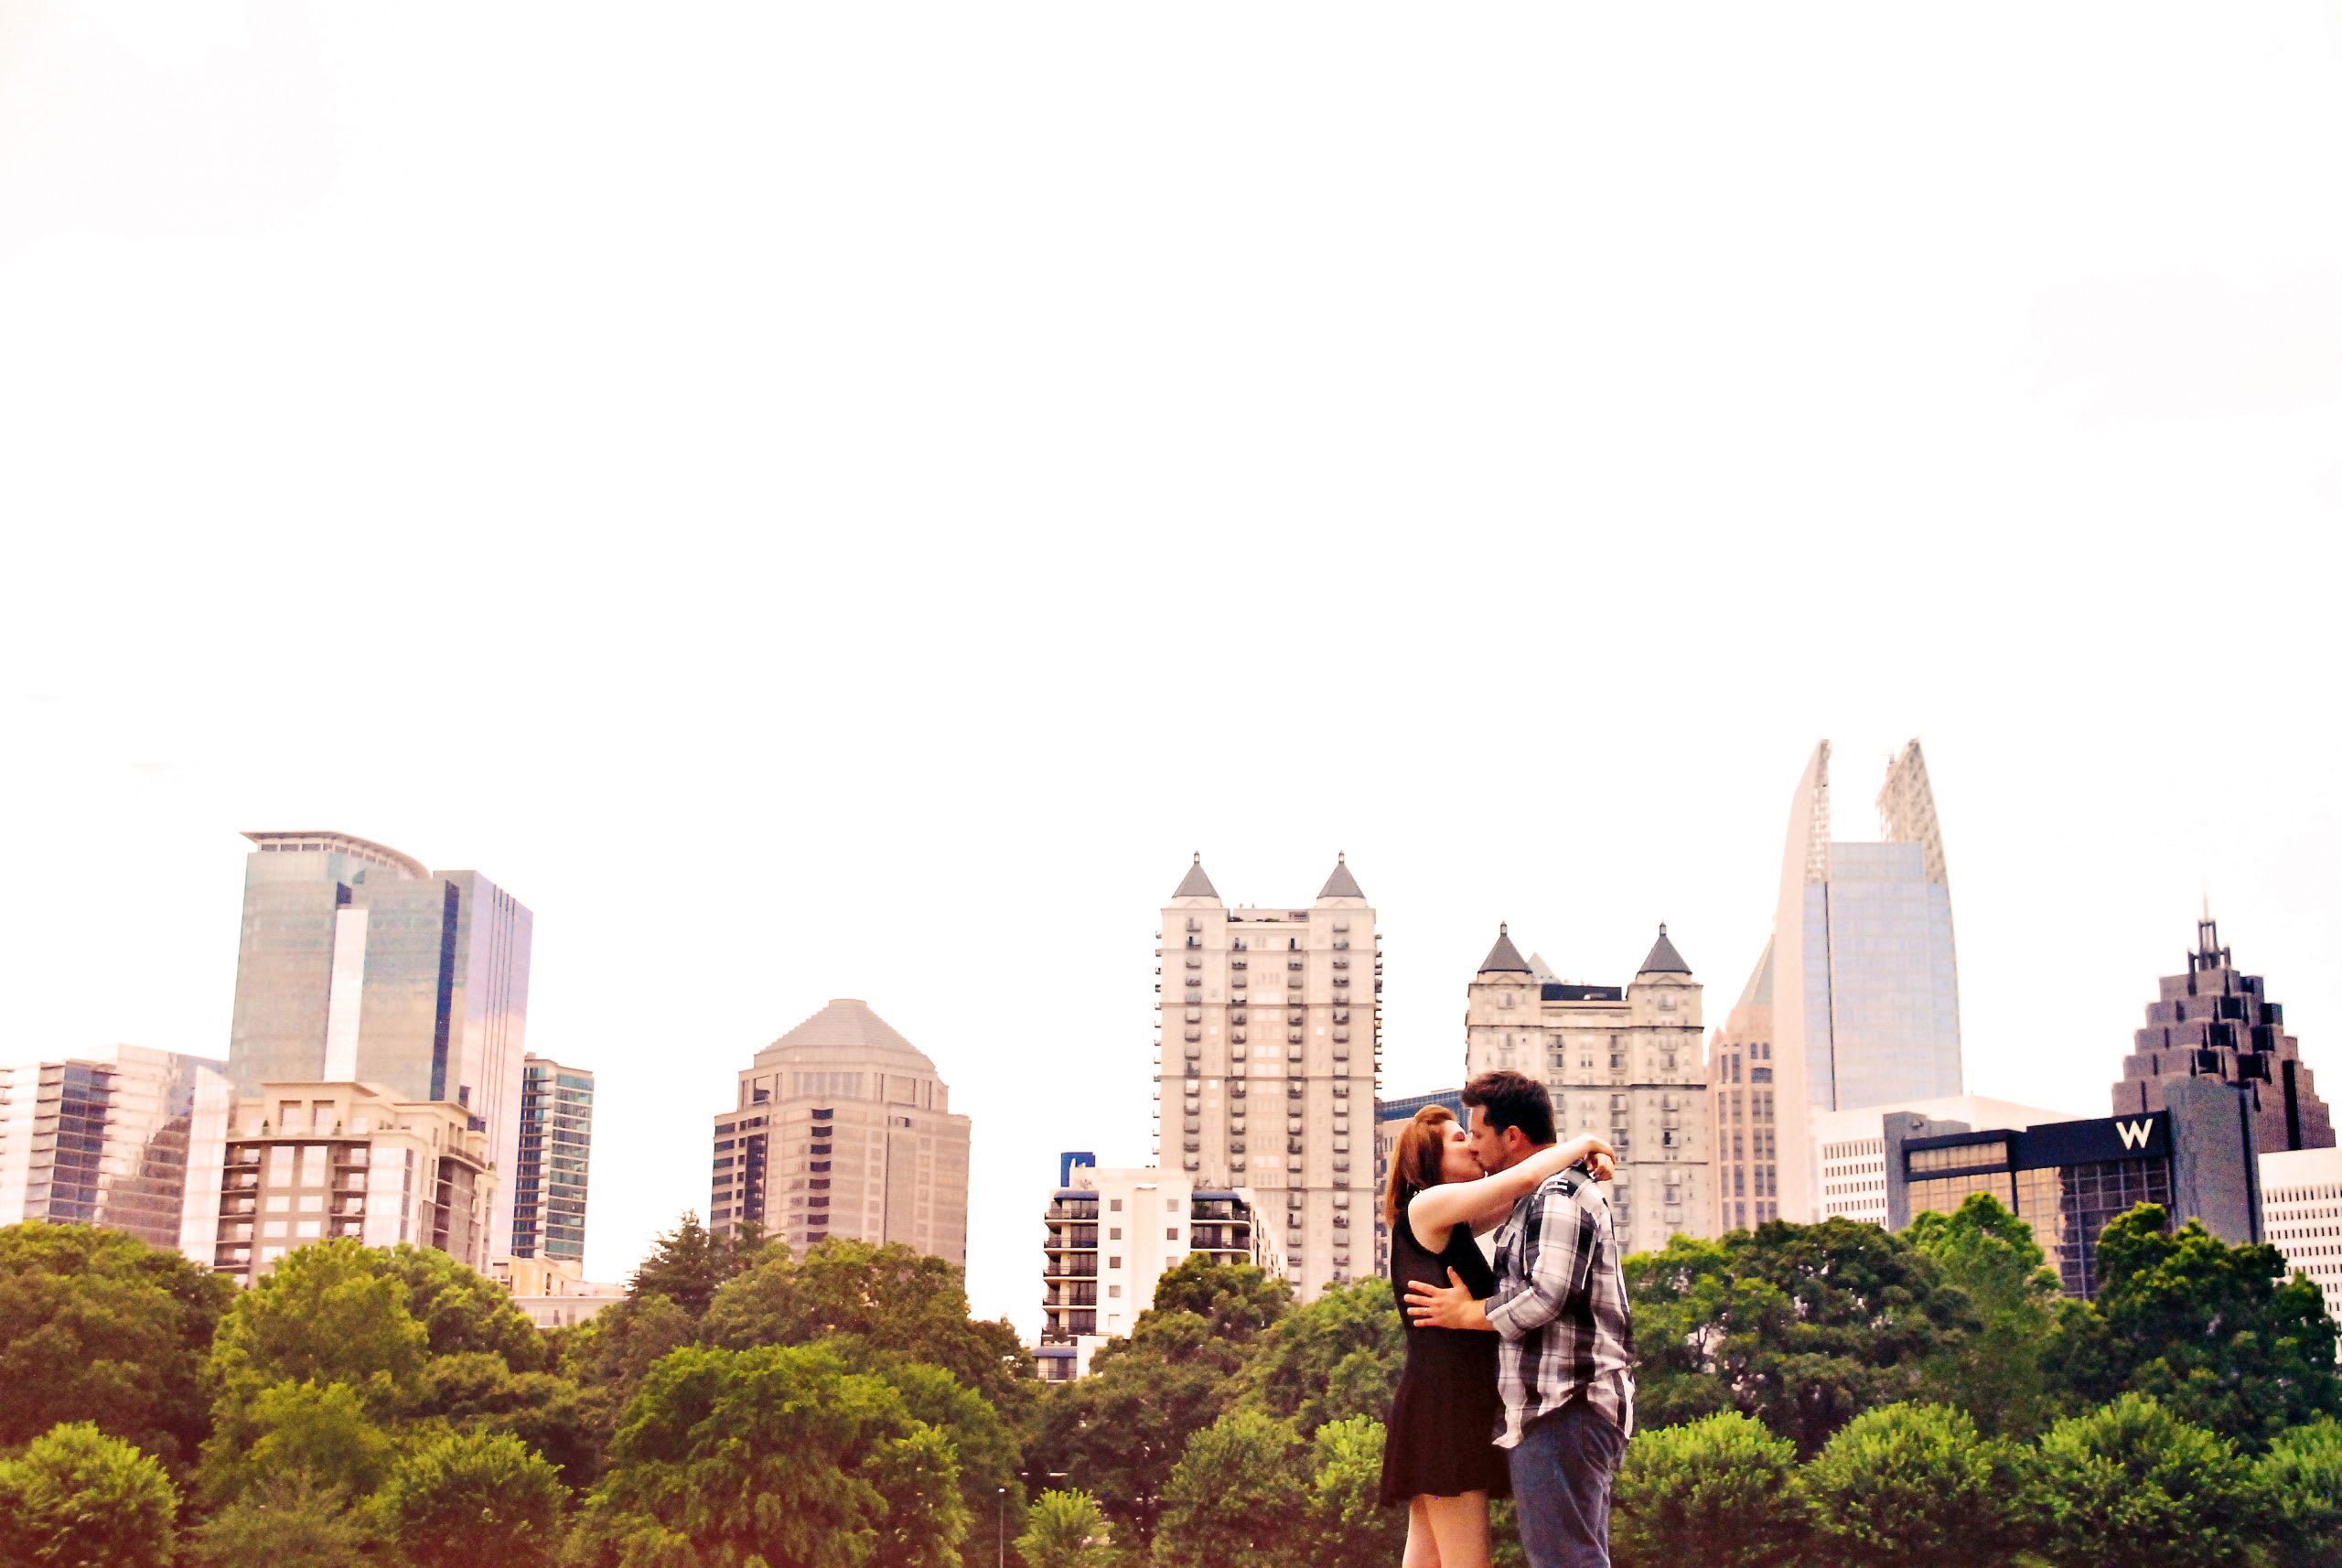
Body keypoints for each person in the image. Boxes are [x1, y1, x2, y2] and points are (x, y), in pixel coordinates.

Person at [1405, 1070, 1636, 1568]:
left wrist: (1470, 1313)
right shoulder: (1431, 1207)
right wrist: (1582, 1149)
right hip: (1477, 1408)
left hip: (1561, 1403)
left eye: (1477, 1136)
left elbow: (1546, 1291)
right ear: (1429, 1158)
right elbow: (1523, 1179)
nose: (1473, 1150)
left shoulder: (1549, 1197)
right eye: (1461, 1141)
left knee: (1561, 1557)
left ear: (1511, 1135)